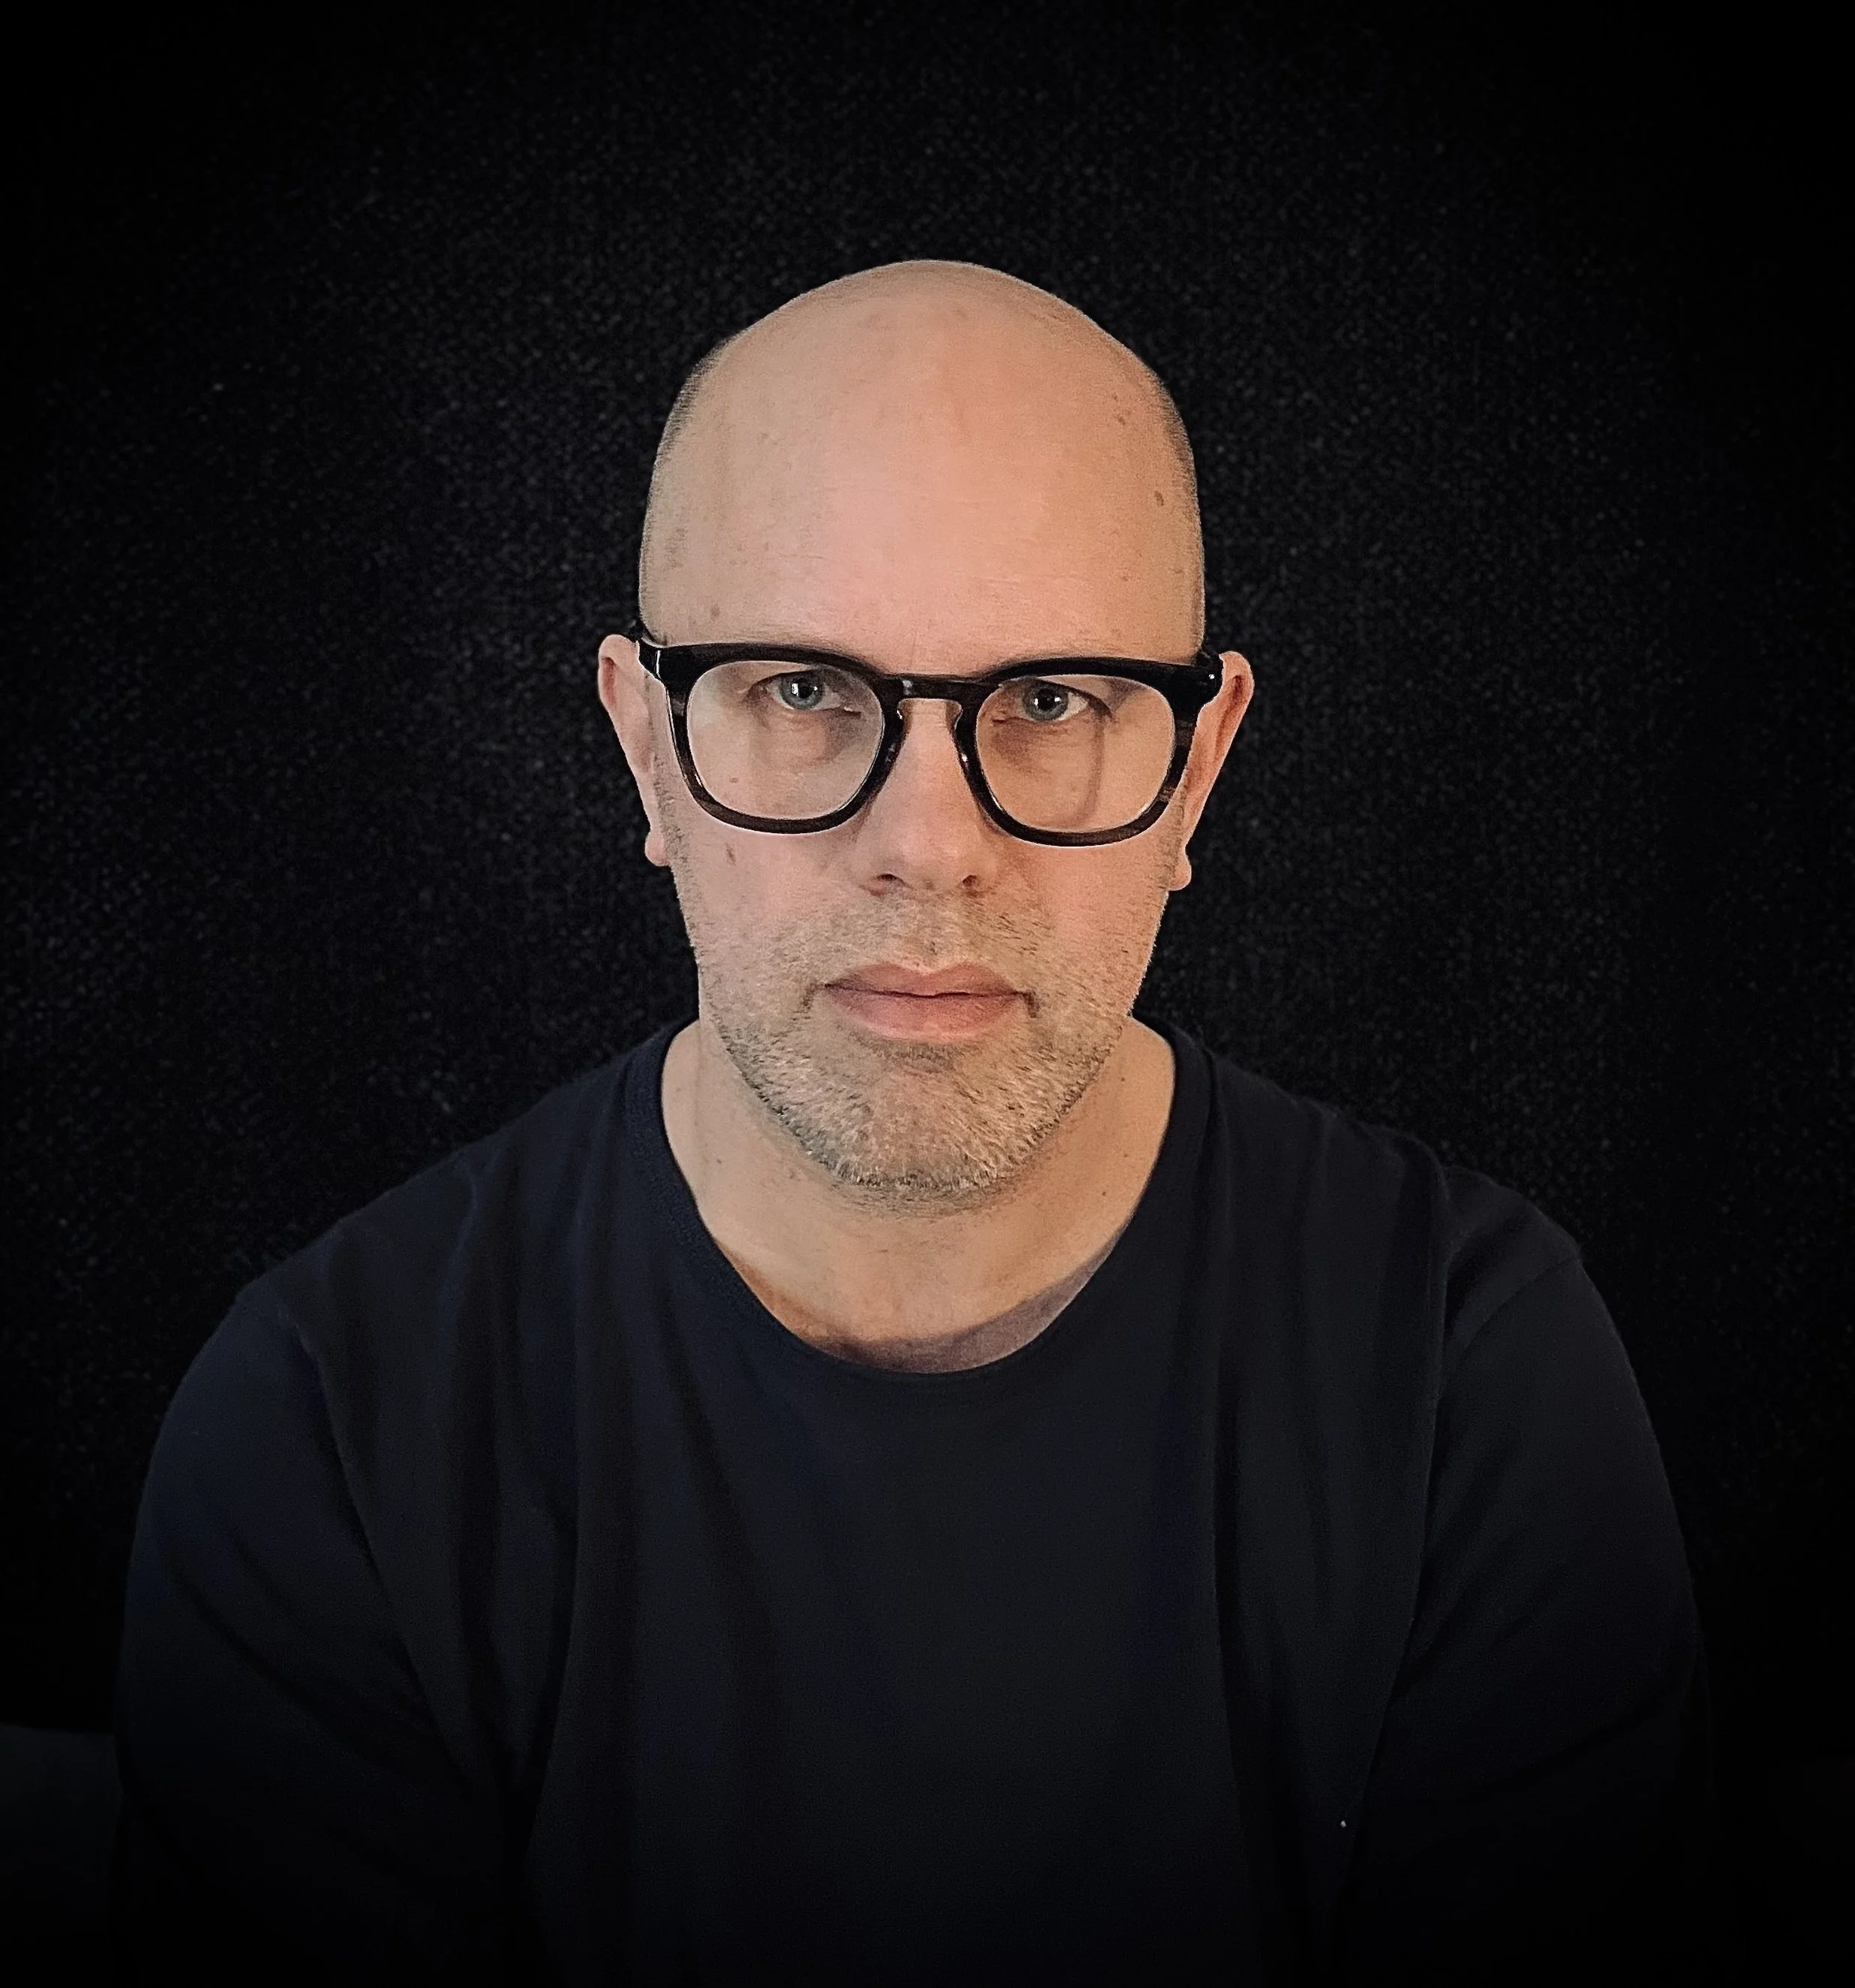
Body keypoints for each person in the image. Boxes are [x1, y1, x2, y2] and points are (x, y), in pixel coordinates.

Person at [114, 260, 1716, 1983]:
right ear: (646, 750)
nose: (929, 848)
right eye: (803, 690)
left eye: (1050, 700)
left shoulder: (1472, 1379)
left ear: (1195, 769)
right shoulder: (329, 1434)